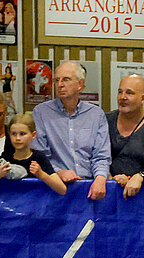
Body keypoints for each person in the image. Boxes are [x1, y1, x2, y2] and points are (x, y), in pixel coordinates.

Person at [31, 61, 110, 198]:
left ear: (80, 84)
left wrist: (101, 178)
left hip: (90, 186)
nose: (60, 84)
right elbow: (39, 155)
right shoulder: (41, 113)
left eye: (66, 79)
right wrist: (58, 172)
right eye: (57, 80)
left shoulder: (96, 114)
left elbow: (101, 155)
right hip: (54, 187)